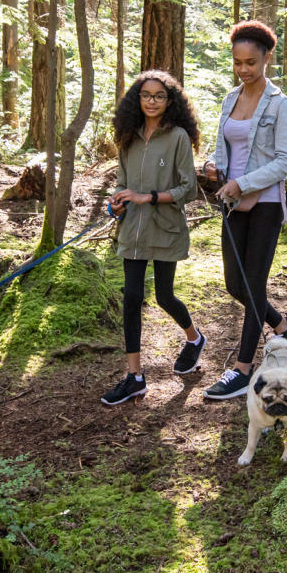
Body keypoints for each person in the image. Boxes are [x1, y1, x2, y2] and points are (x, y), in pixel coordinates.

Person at [200, 20, 287, 401]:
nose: (243, 70)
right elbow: (224, 147)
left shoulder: (280, 104)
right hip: (232, 202)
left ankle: (243, 370)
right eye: (238, 62)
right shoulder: (230, 99)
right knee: (234, 284)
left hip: (266, 204)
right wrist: (214, 165)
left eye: (251, 63)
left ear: (266, 58)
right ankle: (282, 324)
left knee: (253, 283)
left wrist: (243, 182)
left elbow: (285, 161)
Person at [101, 70, 204, 406]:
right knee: (131, 298)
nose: (152, 101)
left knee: (163, 296)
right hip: (132, 230)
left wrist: (151, 196)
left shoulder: (177, 137)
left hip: (166, 228)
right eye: (146, 94)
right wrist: (118, 200)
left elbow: (189, 188)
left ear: (170, 101)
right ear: (137, 98)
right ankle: (135, 377)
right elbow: (122, 180)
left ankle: (194, 338)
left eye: (159, 96)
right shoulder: (128, 137)